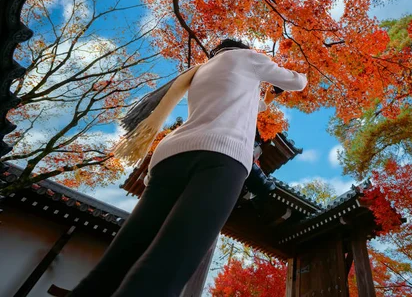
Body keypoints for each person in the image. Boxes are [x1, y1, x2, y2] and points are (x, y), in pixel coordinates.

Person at [68, 39, 307, 297]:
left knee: (121, 257)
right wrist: (303, 74)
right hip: (220, 156)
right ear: (241, 48)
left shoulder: (201, 71)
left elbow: (236, 100)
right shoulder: (249, 57)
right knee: (167, 264)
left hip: (170, 157)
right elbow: (296, 82)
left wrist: (267, 100)